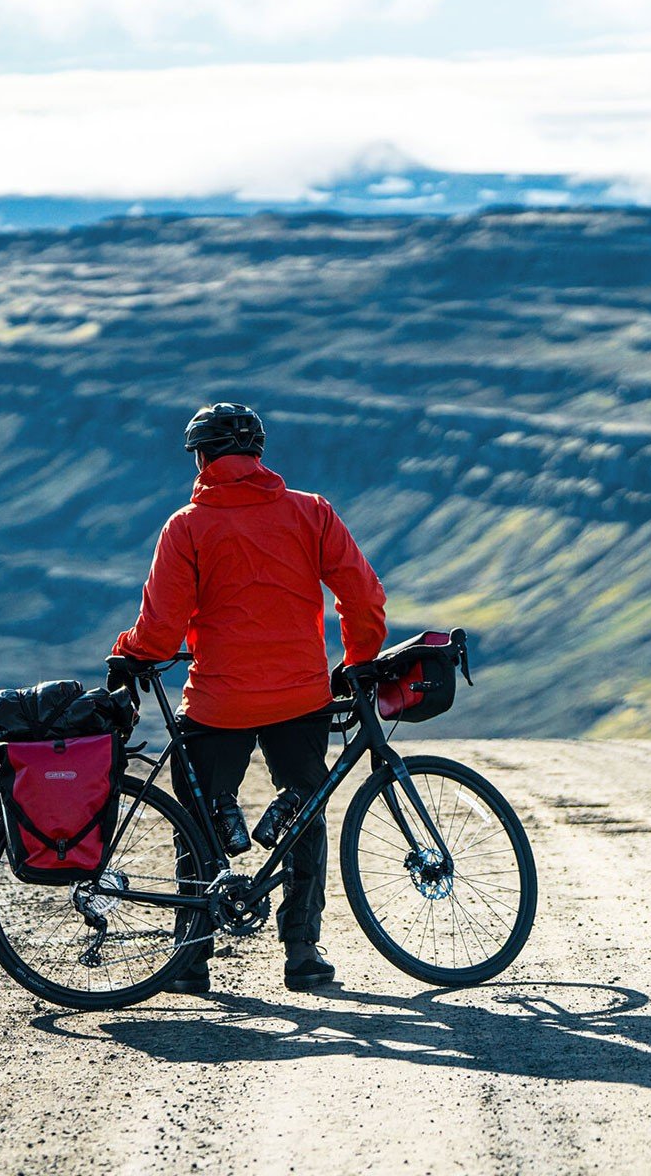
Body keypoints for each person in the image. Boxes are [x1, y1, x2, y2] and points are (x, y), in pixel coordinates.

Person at [111, 403, 387, 994]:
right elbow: (361, 596)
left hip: (218, 702)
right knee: (306, 811)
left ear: (203, 458)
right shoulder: (311, 513)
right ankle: (303, 952)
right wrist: (359, 660)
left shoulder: (187, 527)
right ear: (258, 455)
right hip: (302, 696)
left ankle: (193, 955)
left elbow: (159, 632)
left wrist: (128, 649)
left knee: (195, 819)